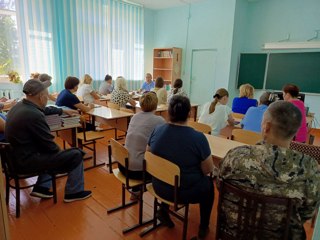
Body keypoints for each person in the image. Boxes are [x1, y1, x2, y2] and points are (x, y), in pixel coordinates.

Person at [219, 101, 320, 239]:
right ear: (295, 131)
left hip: (234, 231)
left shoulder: (235, 156)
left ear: (266, 127)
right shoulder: (309, 167)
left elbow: (220, 185)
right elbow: (308, 212)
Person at [5, 79, 92, 202]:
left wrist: (62, 110)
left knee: (52, 153)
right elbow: (50, 148)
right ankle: (74, 192)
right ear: (41, 97)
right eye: (47, 95)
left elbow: (44, 109)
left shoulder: (20, 106)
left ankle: (42, 188)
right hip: (26, 162)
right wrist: (65, 156)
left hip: (15, 158)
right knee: (76, 154)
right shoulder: (34, 116)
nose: (48, 99)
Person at [148, 95, 214, 239]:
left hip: (158, 185)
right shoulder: (198, 138)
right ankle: (204, 227)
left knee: (170, 172)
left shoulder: (157, 130)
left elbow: (149, 154)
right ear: (189, 113)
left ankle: (163, 210)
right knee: (209, 186)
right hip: (182, 193)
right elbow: (208, 170)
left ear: (168, 112)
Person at [122, 92, 165, 199]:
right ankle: (163, 201)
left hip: (123, 166)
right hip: (139, 172)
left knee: (139, 151)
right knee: (166, 169)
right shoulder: (159, 120)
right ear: (156, 105)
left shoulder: (134, 117)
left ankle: (136, 191)